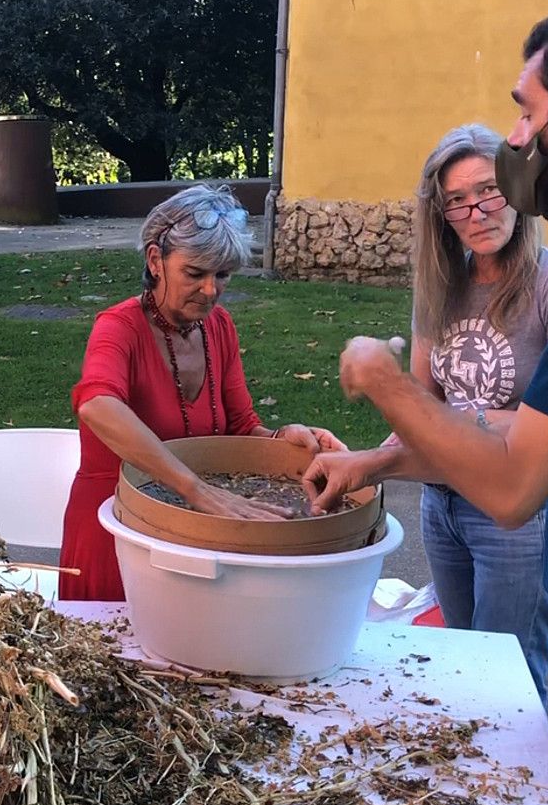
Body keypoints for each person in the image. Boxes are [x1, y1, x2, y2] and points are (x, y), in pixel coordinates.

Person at [304, 4, 548, 805]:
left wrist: (382, 379)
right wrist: (380, 453)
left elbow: (517, 485)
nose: (516, 142)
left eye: (526, 112)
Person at [361, 123, 548, 704]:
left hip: (518, 518)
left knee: (507, 677)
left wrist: (446, 431)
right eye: (457, 200)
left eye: (488, 190)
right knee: (459, 659)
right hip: (443, 503)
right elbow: (425, 403)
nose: (477, 211)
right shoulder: (441, 284)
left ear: (518, 189)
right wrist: (365, 464)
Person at [62, 185, 346, 602]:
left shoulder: (219, 327)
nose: (211, 290)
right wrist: (195, 488)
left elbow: (239, 427)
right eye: (195, 273)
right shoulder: (118, 327)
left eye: (223, 275)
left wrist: (281, 438)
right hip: (115, 533)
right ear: (156, 261)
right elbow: (97, 405)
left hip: (192, 535)